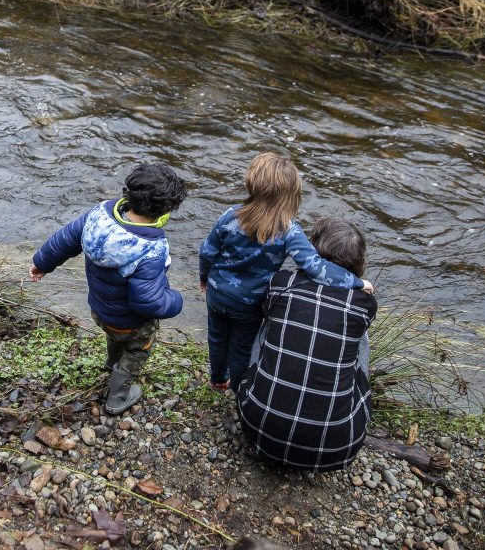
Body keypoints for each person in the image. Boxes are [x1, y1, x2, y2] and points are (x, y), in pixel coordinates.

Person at [199, 152, 372, 392]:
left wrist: (204, 277)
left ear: (252, 184)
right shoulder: (288, 231)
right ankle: (238, 388)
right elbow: (315, 267)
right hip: (249, 305)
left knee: (217, 337)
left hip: (217, 293)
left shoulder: (231, 215)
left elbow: (207, 251)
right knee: (241, 347)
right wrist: (355, 282)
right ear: (292, 194)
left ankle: (218, 378)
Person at [29, 163, 187, 414]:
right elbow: (147, 301)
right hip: (131, 321)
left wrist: (42, 263)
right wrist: (175, 300)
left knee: (114, 335)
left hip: (99, 309)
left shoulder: (100, 213)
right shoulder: (150, 250)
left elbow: (66, 238)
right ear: (166, 209)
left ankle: (111, 363)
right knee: (137, 349)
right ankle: (118, 397)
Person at [236, 217, 378, 471]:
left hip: (257, 426)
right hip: (336, 448)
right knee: (358, 334)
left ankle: (257, 386)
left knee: (270, 321)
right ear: (359, 263)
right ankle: (348, 398)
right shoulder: (363, 303)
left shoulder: (282, 283)